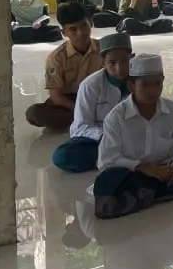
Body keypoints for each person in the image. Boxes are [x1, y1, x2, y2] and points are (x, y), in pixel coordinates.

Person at [92, 54, 173, 219]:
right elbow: (106, 159)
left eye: (157, 83)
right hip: (135, 175)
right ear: (131, 85)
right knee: (107, 179)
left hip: (168, 173)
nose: (153, 90)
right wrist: (143, 167)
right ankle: (157, 193)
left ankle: (145, 196)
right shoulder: (116, 117)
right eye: (145, 85)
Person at [51, 33, 133, 172]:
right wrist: (108, 137)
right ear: (103, 62)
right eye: (112, 63)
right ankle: (120, 159)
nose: (119, 68)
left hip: (133, 136)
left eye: (124, 61)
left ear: (132, 58)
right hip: (99, 138)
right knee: (63, 156)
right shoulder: (90, 85)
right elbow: (81, 126)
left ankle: (113, 160)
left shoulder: (140, 81)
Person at [28, 1, 102, 132]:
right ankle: (89, 118)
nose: (80, 33)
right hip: (70, 102)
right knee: (34, 113)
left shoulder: (104, 49)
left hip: (100, 98)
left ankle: (88, 118)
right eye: (73, 29)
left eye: (84, 25)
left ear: (90, 23)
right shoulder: (56, 58)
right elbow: (56, 97)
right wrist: (80, 110)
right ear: (63, 32)